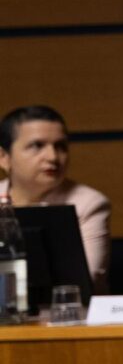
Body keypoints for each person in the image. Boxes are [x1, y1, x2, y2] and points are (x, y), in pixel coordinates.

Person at [0, 105, 109, 289]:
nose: (52, 157)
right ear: (4, 157)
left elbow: (82, 281)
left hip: (70, 314)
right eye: (37, 146)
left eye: (60, 146)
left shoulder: (89, 204)